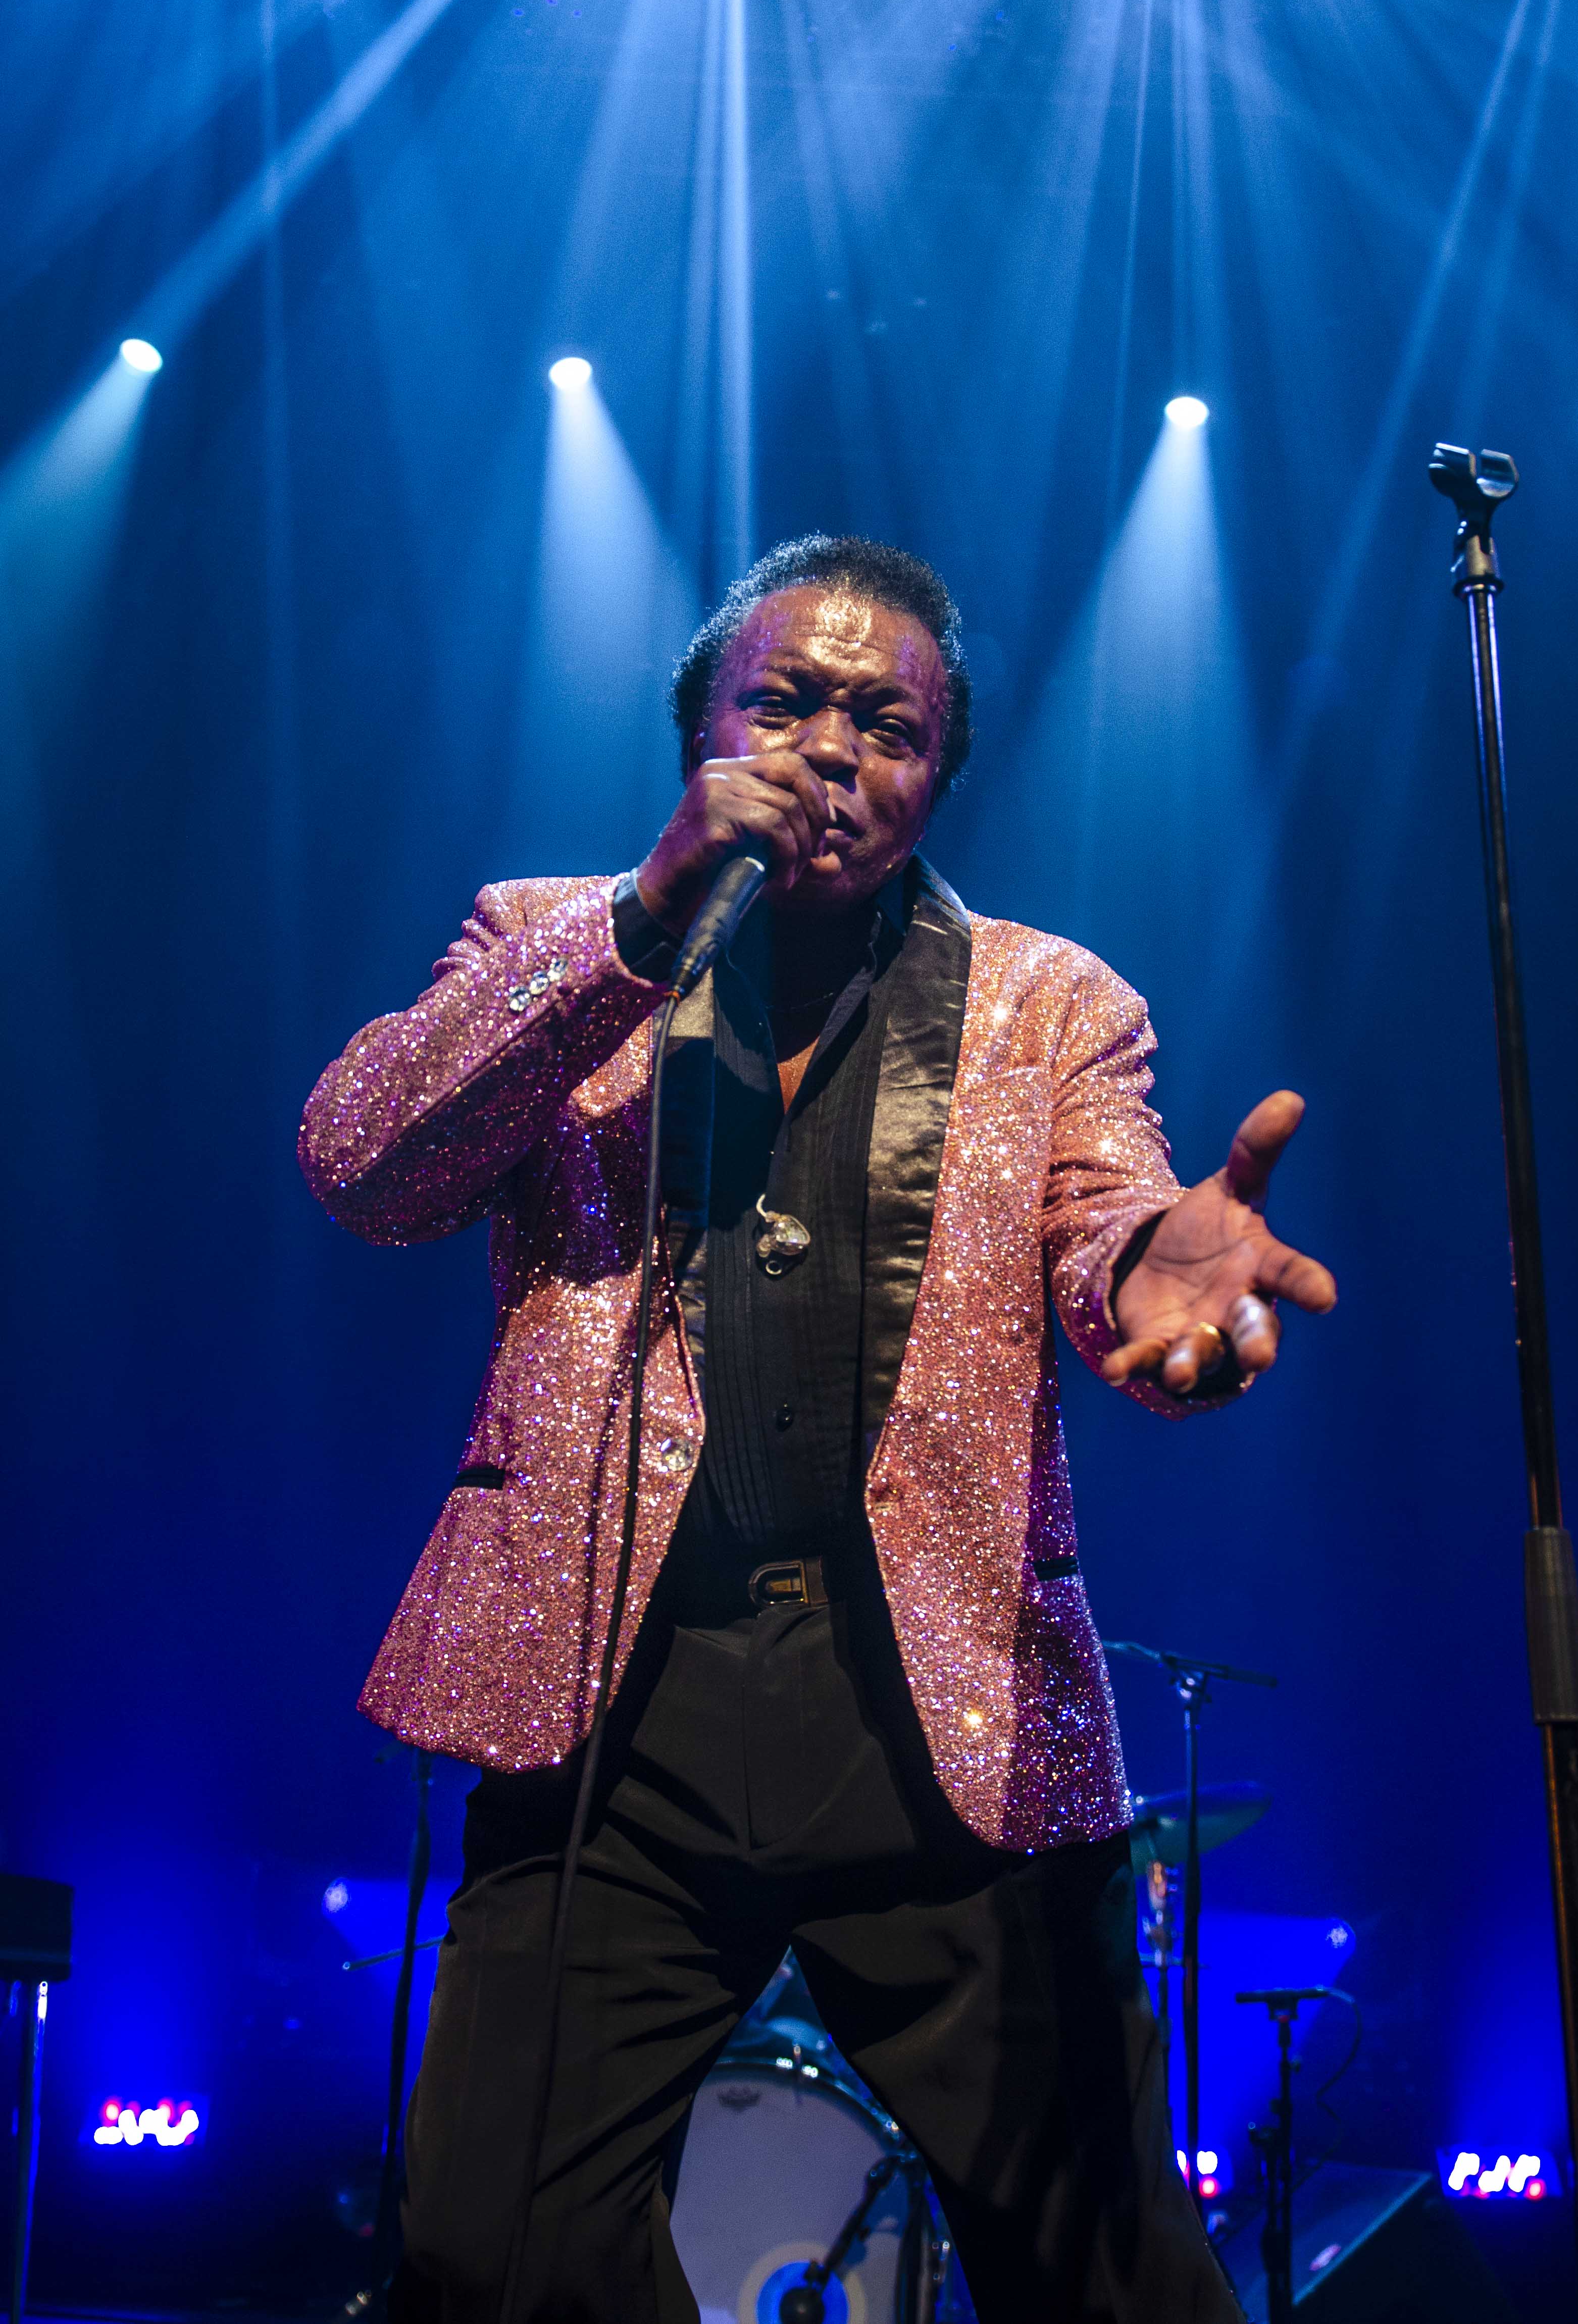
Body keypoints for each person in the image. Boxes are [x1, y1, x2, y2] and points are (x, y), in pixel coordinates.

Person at [299, 535, 1336, 2323]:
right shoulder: (541, 936)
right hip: (616, 1707)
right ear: (699, 727)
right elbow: (366, 1162)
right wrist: (641, 922)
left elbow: (1104, 1227)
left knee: (1108, 2272)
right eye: (783, 702)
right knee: (491, 2254)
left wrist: (1154, 1281)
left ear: (938, 776)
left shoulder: (1049, 1002)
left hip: (936, 1724)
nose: (833, 748)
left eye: (889, 724)